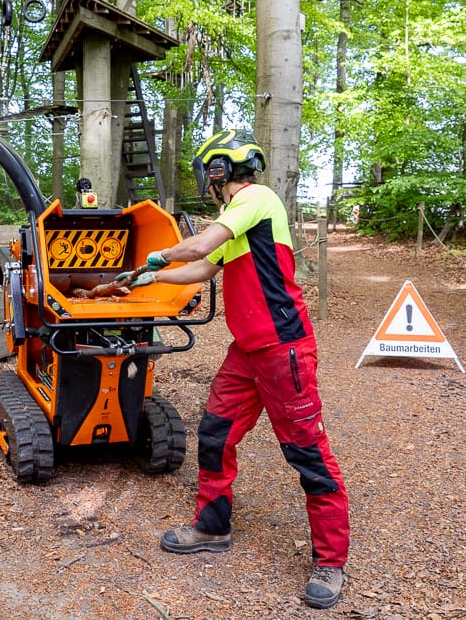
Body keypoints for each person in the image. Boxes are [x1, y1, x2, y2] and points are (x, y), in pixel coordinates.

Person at [124, 128, 350, 609]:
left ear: (218, 170)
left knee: (307, 453)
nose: (208, 181)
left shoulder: (255, 199)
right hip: (247, 351)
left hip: (283, 349)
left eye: (208, 172)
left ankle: (331, 561)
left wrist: (161, 253)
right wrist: (153, 276)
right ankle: (212, 527)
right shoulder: (238, 222)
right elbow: (204, 267)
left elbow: (199, 247)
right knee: (215, 433)